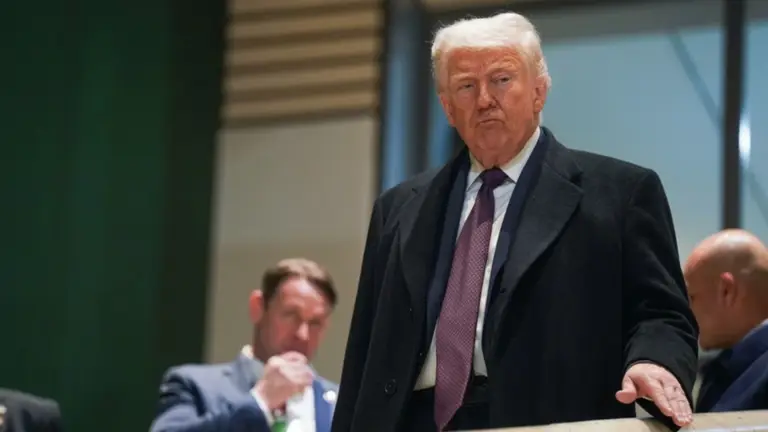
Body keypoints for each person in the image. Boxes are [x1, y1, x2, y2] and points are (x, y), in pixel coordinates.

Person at [333, 11, 698, 432]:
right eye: (466, 86)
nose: (484, 99)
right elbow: (363, 351)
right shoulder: (398, 208)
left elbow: (661, 314)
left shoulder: (621, 193)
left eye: (502, 80)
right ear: (447, 107)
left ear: (539, 91)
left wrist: (654, 361)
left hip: (545, 420)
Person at [150, 258, 338, 432]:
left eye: (316, 323)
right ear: (258, 307)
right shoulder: (195, 386)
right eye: (291, 315)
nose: (303, 335)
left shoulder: (340, 402)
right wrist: (260, 402)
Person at [684, 229, 768, 412]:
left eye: (692, 297)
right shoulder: (727, 368)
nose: (687, 311)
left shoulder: (733, 373)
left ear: (727, 291)